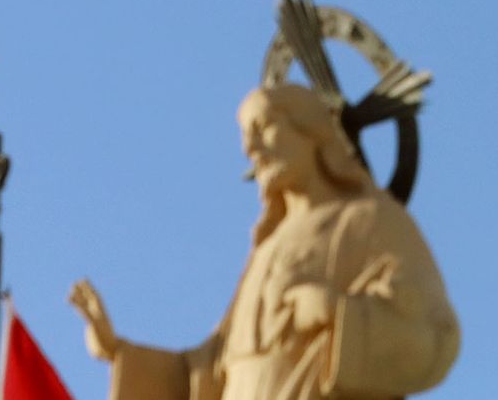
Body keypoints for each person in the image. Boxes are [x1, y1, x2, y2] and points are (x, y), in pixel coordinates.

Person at [69, 83, 460, 400]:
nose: (250, 148)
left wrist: (336, 312)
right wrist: (117, 351)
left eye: (264, 127)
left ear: (312, 134)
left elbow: (434, 339)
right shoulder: (268, 247)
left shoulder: (370, 222)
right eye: (245, 136)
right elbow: (209, 372)